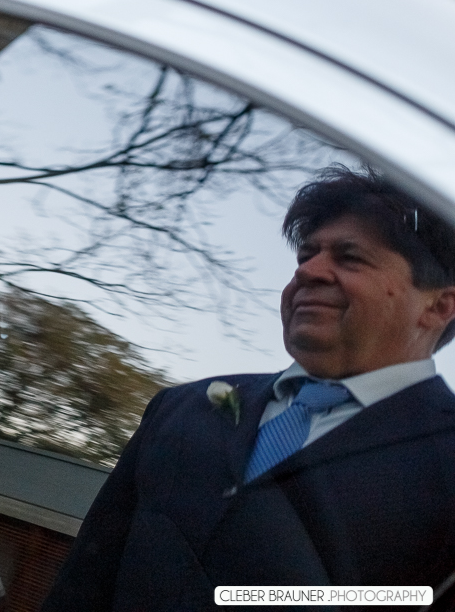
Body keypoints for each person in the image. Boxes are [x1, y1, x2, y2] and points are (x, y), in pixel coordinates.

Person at [43, 166, 455, 611]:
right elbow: (86, 579)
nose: (309, 271)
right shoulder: (181, 408)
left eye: (349, 257)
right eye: (305, 255)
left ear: (439, 305)